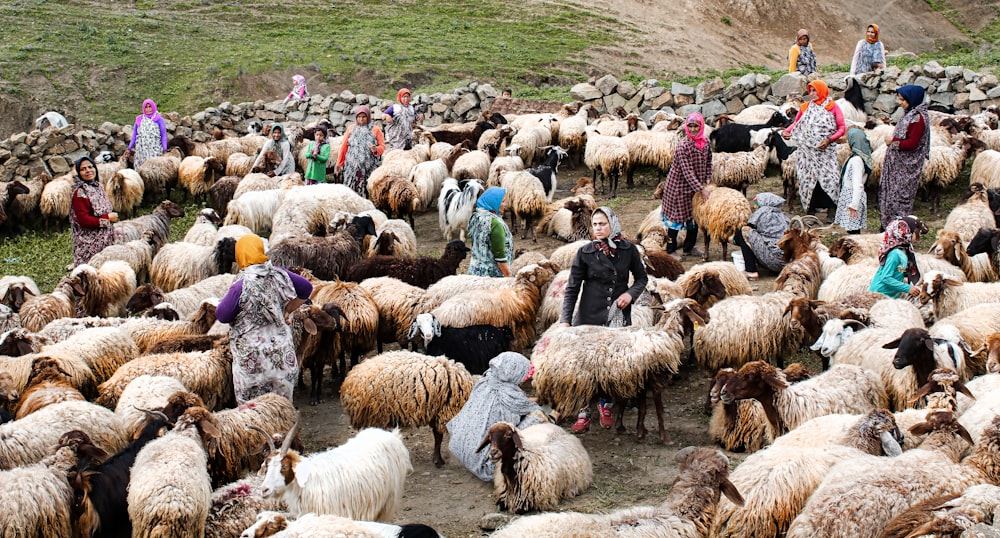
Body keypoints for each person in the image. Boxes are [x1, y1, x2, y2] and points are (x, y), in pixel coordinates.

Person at [558, 207, 648, 433]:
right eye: (595, 224)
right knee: (584, 366)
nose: (598, 228)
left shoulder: (628, 250)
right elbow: (572, 288)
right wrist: (565, 320)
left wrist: (630, 294)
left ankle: (605, 404)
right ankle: (583, 409)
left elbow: (641, 278)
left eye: (603, 224)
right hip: (589, 315)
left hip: (617, 317)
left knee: (610, 363)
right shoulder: (585, 252)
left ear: (613, 224)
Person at [215, 234, 313, 404]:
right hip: (281, 356)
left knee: (255, 411)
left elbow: (222, 315)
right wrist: (288, 309)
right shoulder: (280, 274)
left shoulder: (240, 286)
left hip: (254, 361)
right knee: (281, 407)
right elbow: (306, 288)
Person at [446, 352, 544, 481]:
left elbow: (523, 402)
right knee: (536, 419)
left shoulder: (486, 381)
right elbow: (512, 425)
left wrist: (531, 401)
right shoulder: (509, 397)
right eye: (523, 377)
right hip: (483, 464)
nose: (523, 381)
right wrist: (545, 415)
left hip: (459, 447)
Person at [782, 80, 846, 221]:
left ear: (822, 90)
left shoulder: (832, 107)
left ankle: (832, 210)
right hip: (807, 154)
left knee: (830, 178)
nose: (812, 94)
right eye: (810, 91)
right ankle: (810, 212)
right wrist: (786, 132)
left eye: (815, 91)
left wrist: (829, 139)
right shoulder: (805, 107)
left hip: (826, 152)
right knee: (808, 179)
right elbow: (796, 125)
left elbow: (842, 127)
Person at [879, 84, 930, 230]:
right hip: (897, 163)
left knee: (900, 196)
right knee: (891, 195)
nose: (900, 102)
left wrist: (893, 142)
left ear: (912, 99)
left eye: (903, 100)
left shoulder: (917, 119)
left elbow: (912, 143)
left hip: (906, 166)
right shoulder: (910, 114)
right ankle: (889, 225)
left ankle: (898, 227)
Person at [661, 112, 712, 258]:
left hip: (695, 188)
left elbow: (709, 162)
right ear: (686, 127)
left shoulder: (706, 143)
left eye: (696, 126)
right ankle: (670, 249)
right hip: (679, 188)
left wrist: (707, 179)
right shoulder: (683, 146)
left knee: (694, 218)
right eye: (690, 126)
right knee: (675, 219)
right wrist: (701, 189)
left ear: (701, 126)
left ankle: (689, 247)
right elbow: (687, 171)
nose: (693, 129)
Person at [69, 156, 117, 267]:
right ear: (79, 173)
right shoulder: (80, 193)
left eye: (90, 167)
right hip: (89, 240)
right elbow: (84, 220)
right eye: (83, 169)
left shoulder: (98, 186)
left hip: (105, 235)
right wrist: (107, 219)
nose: (88, 171)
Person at [733, 193, 790, 280]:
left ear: (763, 202)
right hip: (789, 262)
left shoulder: (763, 211)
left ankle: (751, 271)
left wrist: (733, 239)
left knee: (745, 231)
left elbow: (748, 229)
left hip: (775, 260)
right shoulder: (782, 215)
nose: (755, 207)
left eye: (757, 203)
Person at [336, 106, 385, 198]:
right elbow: (344, 147)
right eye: (359, 117)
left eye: (364, 117)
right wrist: (339, 163)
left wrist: (376, 149)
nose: (361, 119)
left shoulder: (375, 130)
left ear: (368, 117)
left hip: (368, 167)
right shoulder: (351, 129)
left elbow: (382, 146)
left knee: (367, 188)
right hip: (352, 166)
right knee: (351, 187)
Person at [834, 125, 873, 234]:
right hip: (850, 195)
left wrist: (853, 205)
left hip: (852, 197)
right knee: (851, 228)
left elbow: (858, 184)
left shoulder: (856, 160)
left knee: (853, 230)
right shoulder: (858, 157)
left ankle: (855, 247)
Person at [869, 218, 921, 299]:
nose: (918, 234)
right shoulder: (895, 254)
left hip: (890, 295)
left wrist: (903, 280)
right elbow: (885, 278)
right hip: (880, 294)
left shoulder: (905, 250)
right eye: (914, 231)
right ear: (905, 232)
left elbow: (899, 269)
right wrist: (907, 288)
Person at [467, 187, 513, 277]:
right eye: (502, 202)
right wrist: (509, 278)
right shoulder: (495, 224)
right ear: (493, 203)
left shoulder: (478, 218)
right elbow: (500, 258)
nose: (505, 205)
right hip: (492, 278)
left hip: (475, 274)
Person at [124, 99, 167, 169]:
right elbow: (134, 136)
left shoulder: (159, 119)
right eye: (146, 107)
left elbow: (163, 136)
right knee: (141, 170)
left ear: (153, 107)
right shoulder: (139, 119)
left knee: (155, 171)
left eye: (150, 107)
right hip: (141, 152)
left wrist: (165, 149)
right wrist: (129, 148)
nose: (148, 109)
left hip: (155, 151)